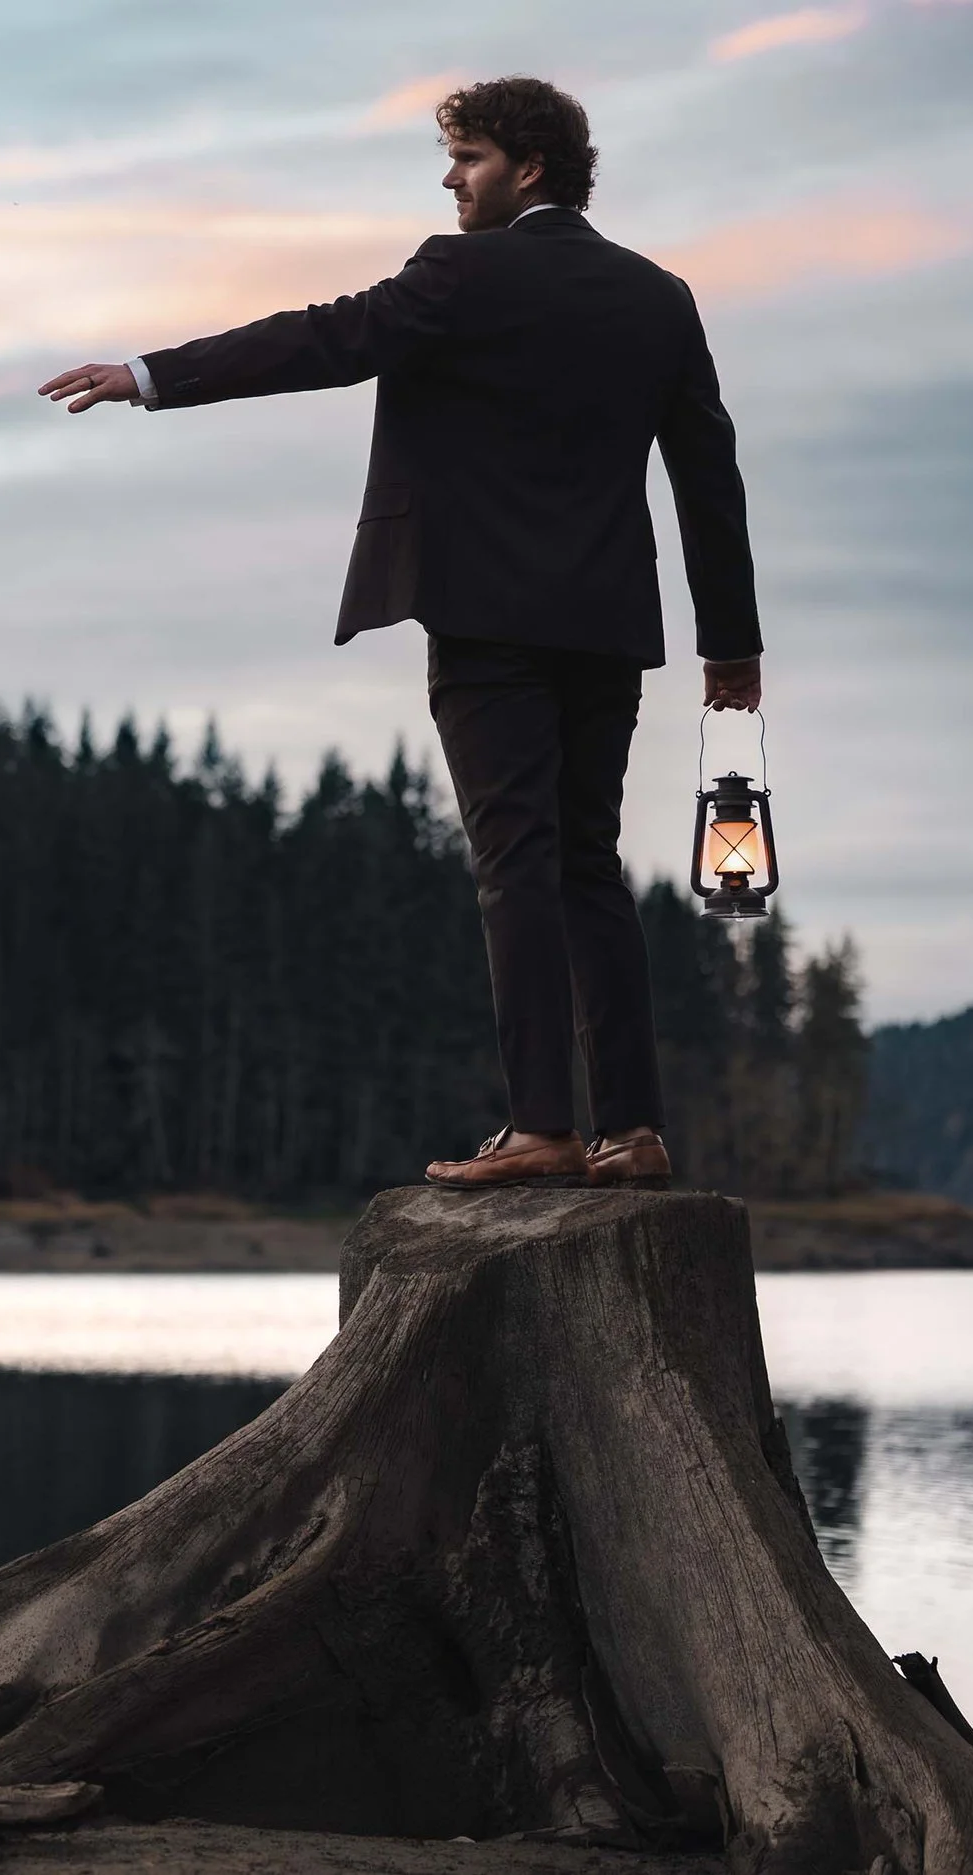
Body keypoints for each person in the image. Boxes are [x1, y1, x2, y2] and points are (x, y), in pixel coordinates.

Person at [40, 76, 761, 1192]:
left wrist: (147, 376)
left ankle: (539, 1128)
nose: (448, 178)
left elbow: (321, 340)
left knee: (513, 861)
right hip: (607, 621)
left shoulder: (459, 273)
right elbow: (707, 475)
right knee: (586, 866)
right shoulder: (658, 297)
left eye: (465, 157)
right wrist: (732, 646)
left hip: (484, 618)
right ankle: (632, 1130)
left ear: (525, 167)